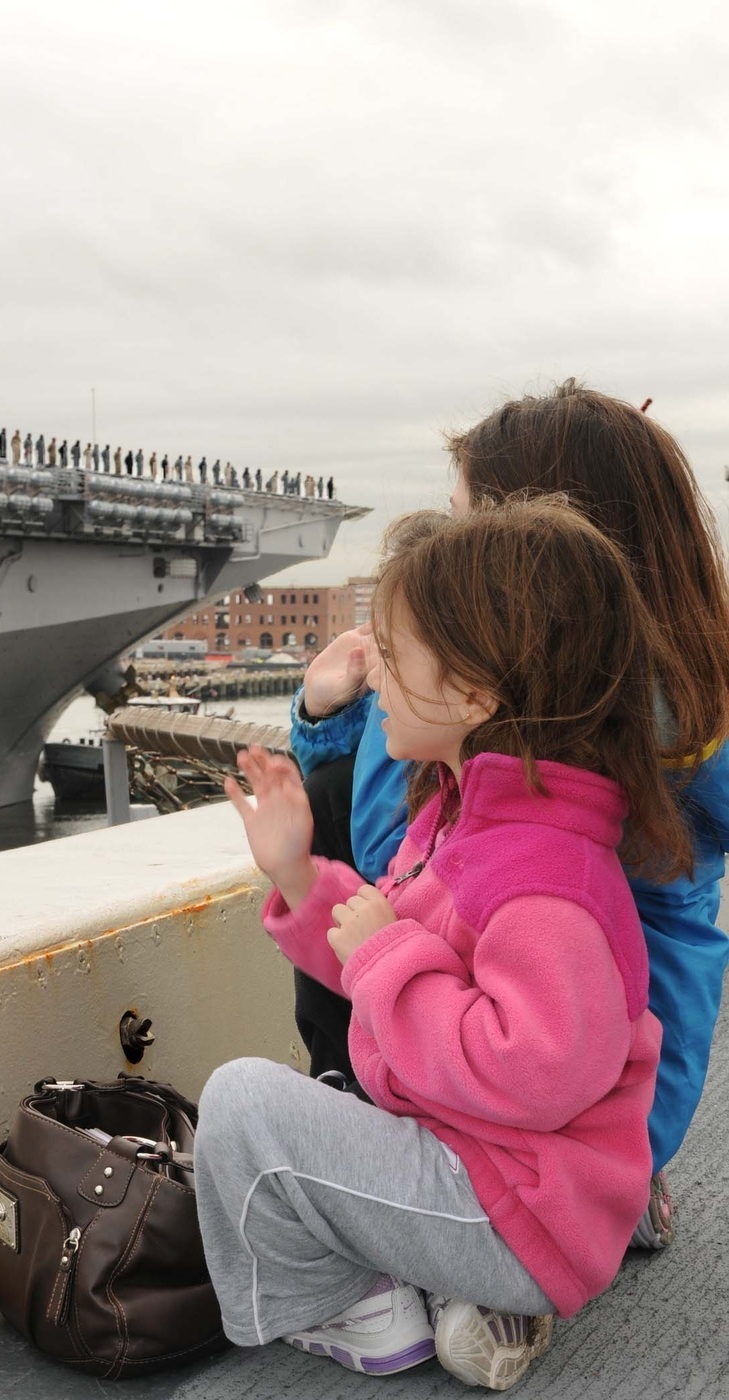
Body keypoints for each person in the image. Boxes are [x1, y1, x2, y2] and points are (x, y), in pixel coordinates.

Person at [201, 497, 685, 1388]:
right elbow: (396, 935)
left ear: (473, 692)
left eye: (390, 653)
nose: (374, 677)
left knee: (241, 1109)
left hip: (514, 1208)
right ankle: (451, 1290)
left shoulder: (541, 875)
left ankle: (356, 1308)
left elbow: (536, 1068)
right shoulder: (483, 817)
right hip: (504, 1188)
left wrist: (387, 959)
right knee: (325, 1093)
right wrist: (304, 877)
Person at [290, 381, 729, 1252]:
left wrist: (334, 719)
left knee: (340, 837)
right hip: (620, 1110)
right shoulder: (663, 712)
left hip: (533, 1130)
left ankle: (380, 1148)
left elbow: (398, 857)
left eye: (462, 526)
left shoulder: (546, 752)